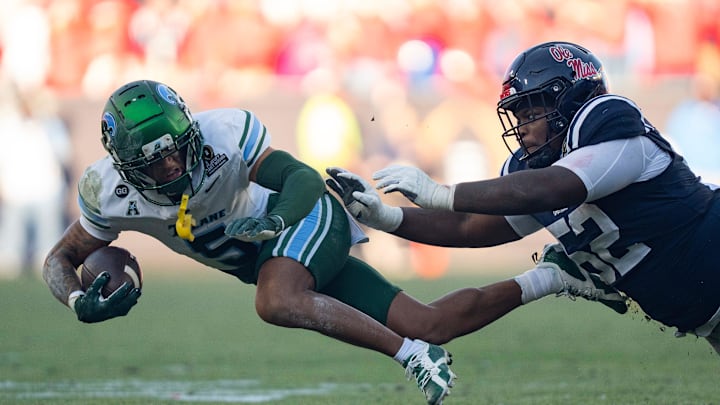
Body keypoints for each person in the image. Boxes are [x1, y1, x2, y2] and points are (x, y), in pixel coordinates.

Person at [43, 79, 624, 405]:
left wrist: (275, 225)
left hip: (301, 220)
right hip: (277, 254)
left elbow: (298, 177)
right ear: (125, 168)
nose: (174, 163)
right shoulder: (106, 191)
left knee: (275, 300)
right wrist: (76, 301)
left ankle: (410, 356)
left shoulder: (224, 133)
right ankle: (553, 276)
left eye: (177, 147)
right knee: (427, 320)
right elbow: (61, 259)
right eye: (157, 161)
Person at [326, 41, 720, 355]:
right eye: (517, 117)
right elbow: (470, 226)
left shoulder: (608, 122)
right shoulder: (535, 170)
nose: (522, 129)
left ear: (568, 102)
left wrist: (440, 192)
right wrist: (389, 219)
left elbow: (559, 186)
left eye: (530, 112)